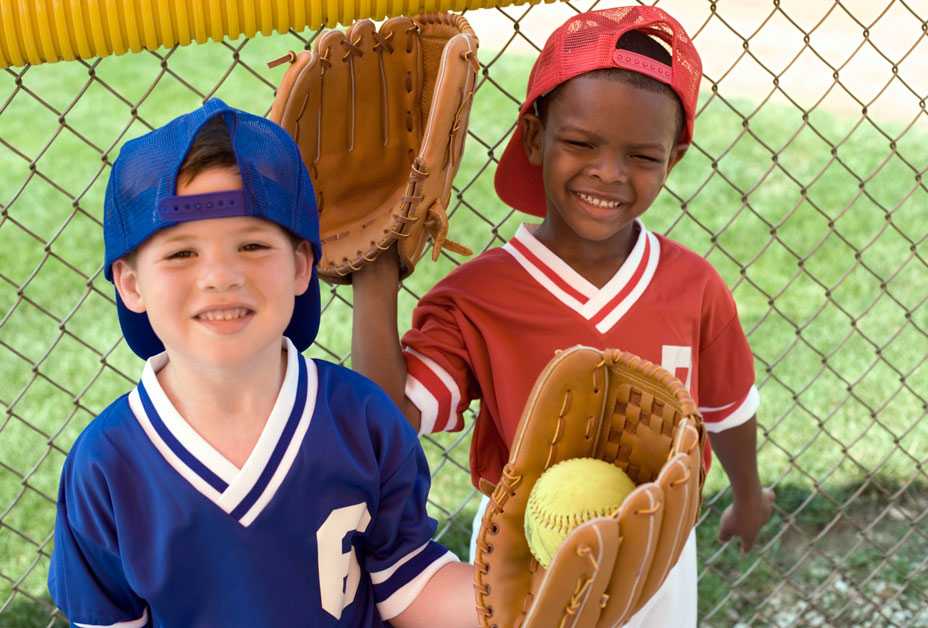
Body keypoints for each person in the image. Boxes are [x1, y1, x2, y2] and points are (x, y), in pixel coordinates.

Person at [350, 6, 775, 626]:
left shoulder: (694, 287)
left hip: (658, 553)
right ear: (533, 138)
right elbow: (390, 419)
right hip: (523, 555)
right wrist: (375, 276)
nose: (609, 172)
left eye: (642, 156)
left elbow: (727, 408)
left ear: (675, 158)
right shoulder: (475, 298)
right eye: (580, 143)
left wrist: (747, 496)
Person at [47, 99, 476, 628]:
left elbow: (409, 586)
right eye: (181, 253)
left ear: (300, 266)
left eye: (251, 245)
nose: (221, 276)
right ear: (131, 284)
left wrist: (521, 596)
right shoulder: (106, 464)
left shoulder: (361, 418)